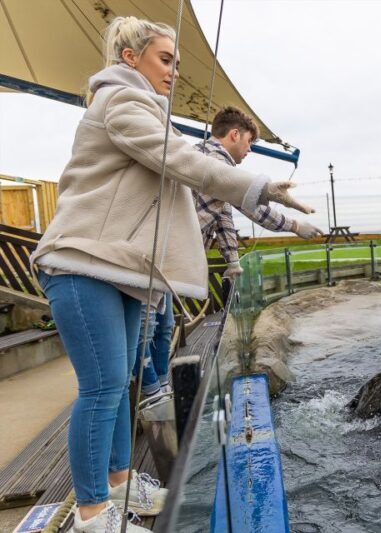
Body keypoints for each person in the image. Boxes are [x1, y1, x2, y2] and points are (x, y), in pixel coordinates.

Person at [29, 16, 314, 533]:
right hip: (81, 262)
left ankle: (118, 482)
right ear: (130, 59)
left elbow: (185, 169)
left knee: (119, 386)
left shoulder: (146, 113)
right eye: (166, 60)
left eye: (179, 64)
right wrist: (260, 188)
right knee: (103, 386)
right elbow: (182, 160)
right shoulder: (120, 101)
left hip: (117, 269)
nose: (175, 72)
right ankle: (93, 514)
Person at [194, 105, 323, 280]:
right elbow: (253, 206)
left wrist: (233, 262)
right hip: (166, 255)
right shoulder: (216, 161)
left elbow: (222, 215)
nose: (250, 149)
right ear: (235, 135)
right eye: (249, 141)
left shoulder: (202, 155)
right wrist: (295, 226)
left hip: (173, 255)